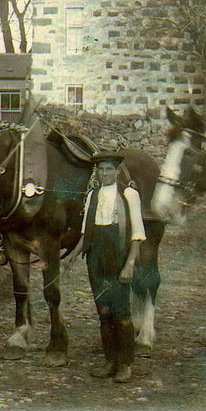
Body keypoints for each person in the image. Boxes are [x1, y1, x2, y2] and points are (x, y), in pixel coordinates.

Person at [64, 151, 146, 383]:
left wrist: (129, 263)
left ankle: (125, 364)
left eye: (109, 169)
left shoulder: (129, 194)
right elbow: (85, 231)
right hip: (96, 258)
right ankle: (110, 361)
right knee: (104, 312)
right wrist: (73, 255)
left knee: (121, 314)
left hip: (118, 257)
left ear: (117, 170)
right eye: (100, 169)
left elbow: (137, 234)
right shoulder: (92, 195)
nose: (104, 173)